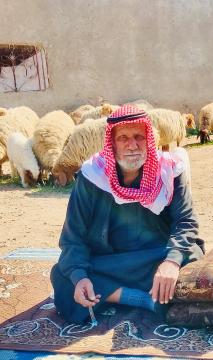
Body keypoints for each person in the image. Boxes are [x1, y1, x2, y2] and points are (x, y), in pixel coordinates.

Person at [50, 105, 204, 324]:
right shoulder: (92, 176)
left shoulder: (169, 171)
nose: (132, 145)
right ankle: (139, 299)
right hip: (110, 260)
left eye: (139, 137)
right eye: (123, 138)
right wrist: (80, 276)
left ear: (149, 139)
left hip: (157, 256)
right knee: (64, 277)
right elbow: (73, 236)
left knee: (194, 263)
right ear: (112, 143)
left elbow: (186, 222)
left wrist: (171, 262)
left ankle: (115, 294)